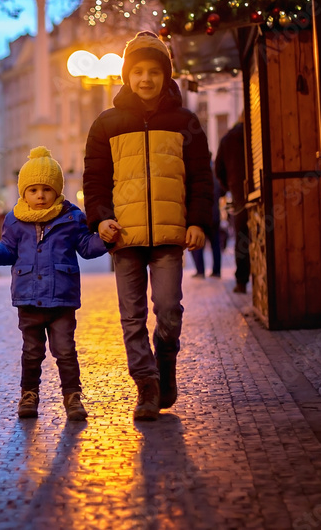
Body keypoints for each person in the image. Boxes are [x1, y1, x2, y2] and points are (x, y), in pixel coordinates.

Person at [83, 30, 213, 421]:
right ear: (126, 75)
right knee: (132, 315)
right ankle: (146, 385)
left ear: (165, 75)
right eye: (137, 71)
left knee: (169, 308)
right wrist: (101, 217)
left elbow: (202, 177)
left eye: (153, 71)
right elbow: (95, 179)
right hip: (124, 235)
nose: (145, 79)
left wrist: (198, 222)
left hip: (171, 234)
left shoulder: (185, 121)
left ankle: (166, 363)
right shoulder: (106, 124)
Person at [0, 147, 108, 422]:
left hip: (62, 298)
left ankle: (72, 395)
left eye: (46, 189)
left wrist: (106, 239)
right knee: (31, 352)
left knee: (65, 351)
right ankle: (29, 394)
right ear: (24, 192)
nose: (40, 196)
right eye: (33, 190)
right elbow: (9, 249)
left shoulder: (72, 217)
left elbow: (85, 246)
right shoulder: (14, 218)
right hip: (29, 298)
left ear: (57, 190)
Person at [216, 116, 250, 293]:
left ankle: (242, 281)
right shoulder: (254, 133)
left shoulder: (228, 138)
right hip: (262, 187)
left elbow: (218, 169)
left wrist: (229, 186)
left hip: (238, 194)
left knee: (242, 238)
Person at [189, 169, 224, 279]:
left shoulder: (199, 178)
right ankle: (216, 271)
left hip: (203, 216)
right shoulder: (215, 177)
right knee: (215, 245)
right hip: (215, 216)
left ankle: (200, 271)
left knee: (198, 244)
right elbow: (222, 191)